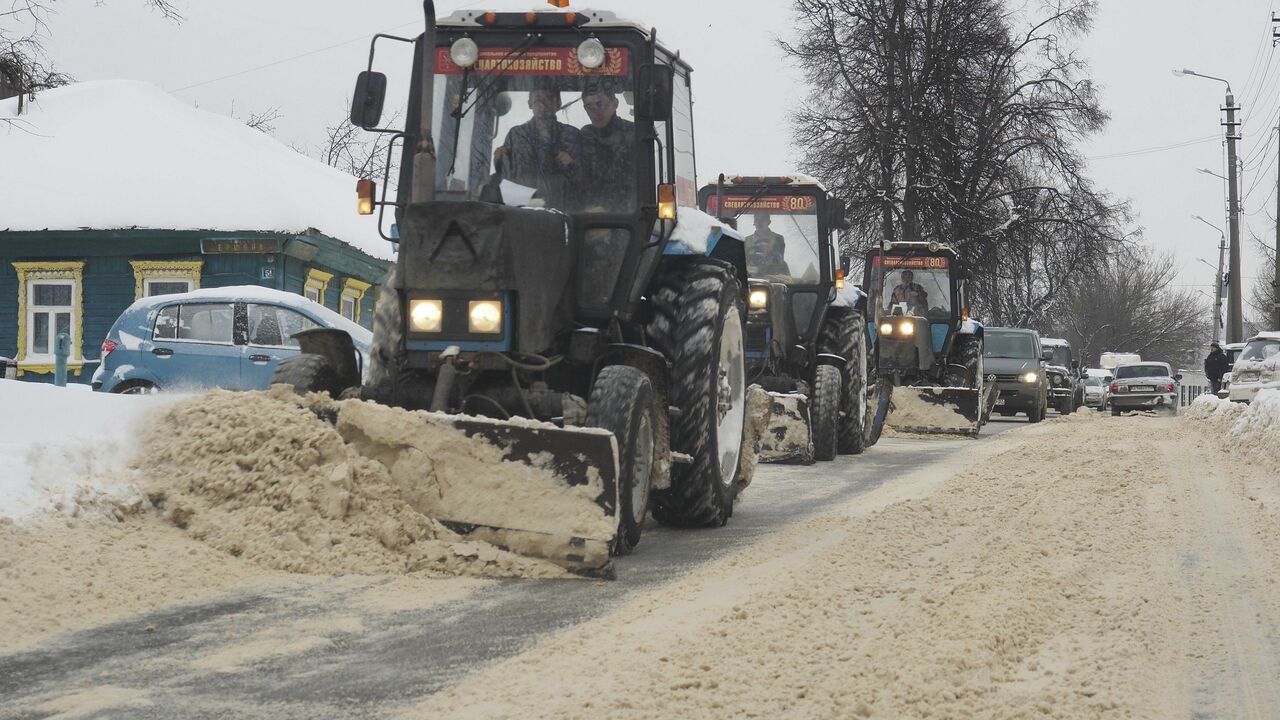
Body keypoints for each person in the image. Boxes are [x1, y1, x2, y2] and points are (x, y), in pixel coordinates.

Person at [494, 88, 581, 204]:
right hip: (521, 207)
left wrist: (571, 164)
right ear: (530, 104)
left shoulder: (572, 135)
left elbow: (585, 180)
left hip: (561, 209)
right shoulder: (515, 135)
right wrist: (498, 161)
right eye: (538, 100)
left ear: (558, 103)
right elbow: (505, 175)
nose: (542, 104)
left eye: (548, 99)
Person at [578, 88, 635, 211]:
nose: (595, 111)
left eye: (600, 104)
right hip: (589, 212)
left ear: (615, 104)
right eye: (589, 106)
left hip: (627, 216)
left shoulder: (634, 133)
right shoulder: (584, 136)